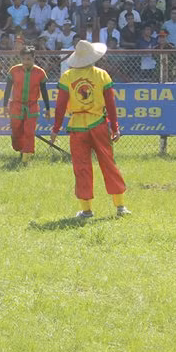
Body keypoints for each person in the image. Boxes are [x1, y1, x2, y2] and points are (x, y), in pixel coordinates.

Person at [49, 40, 130, 219]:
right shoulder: (102, 75)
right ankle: (120, 206)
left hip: (77, 127)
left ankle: (86, 210)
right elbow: (111, 104)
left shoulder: (67, 77)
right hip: (98, 125)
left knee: (82, 167)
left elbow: (60, 106)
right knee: (108, 163)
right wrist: (115, 127)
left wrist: (56, 128)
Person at [4, 46, 51, 163]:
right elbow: (7, 89)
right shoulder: (14, 70)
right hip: (16, 105)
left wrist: (48, 108)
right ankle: (20, 149)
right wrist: (4, 106)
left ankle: (26, 158)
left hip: (32, 106)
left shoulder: (40, 72)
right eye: (24, 59)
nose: (26, 62)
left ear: (34, 58)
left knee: (29, 132)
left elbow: (44, 91)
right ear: (21, 59)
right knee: (16, 132)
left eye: (29, 59)